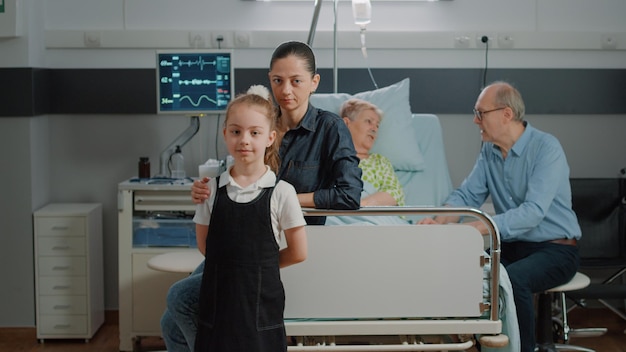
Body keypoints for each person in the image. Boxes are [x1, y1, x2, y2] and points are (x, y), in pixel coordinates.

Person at [161, 40, 362, 351]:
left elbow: (349, 196)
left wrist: (286, 199)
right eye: (278, 80)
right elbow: (240, 176)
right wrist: (209, 189)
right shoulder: (259, 123)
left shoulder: (330, 128)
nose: (286, 90)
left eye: (296, 81)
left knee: (181, 299)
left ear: (313, 82)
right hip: (237, 238)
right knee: (171, 320)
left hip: (278, 245)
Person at [418, 81, 580, 352]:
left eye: (481, 113)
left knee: (511, 280)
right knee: (473, 272)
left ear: (506, 114)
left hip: (557, 250)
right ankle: (485, 346)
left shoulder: (546, 149)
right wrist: (440, 221)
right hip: (517, 247)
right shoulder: (489, 152)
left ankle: (523, 348)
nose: (475, 120)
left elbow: (532, 214)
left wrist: (474, 229)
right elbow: (467, 196)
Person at [195, 85, 307, 351]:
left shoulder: (282, 192)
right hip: (218, 307)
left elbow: (299, 252)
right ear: (225, 135)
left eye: (254, 133)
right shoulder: (210, 190)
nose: (244, 140)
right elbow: (205, 247)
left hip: (261, 311)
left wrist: (260, 265)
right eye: (236, 131)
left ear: (270, 137)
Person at [340, 98, 405, 207]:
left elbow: (394, 193)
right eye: (368, 121)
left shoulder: (380, 162)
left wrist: (359, 205)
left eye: (377, 125)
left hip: (369, 216)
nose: (374, 129)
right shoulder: (329, 157)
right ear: (346, 123)